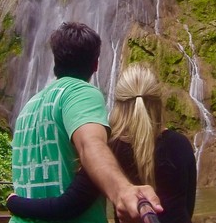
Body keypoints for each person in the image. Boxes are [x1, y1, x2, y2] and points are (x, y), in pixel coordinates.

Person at [9, 22, 162, 223]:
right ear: (96, 64)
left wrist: (13, 202)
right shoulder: (81, 93)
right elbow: (90, 144)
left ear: (56, 61)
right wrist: (122, 191)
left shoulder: (29, 107)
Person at [8, 63, 197, 223]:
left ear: (118, 104)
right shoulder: (181, 145)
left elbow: (66, 207)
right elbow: (187, 208)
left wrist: (14, 202)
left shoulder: (107, 151)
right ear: (158, 102)